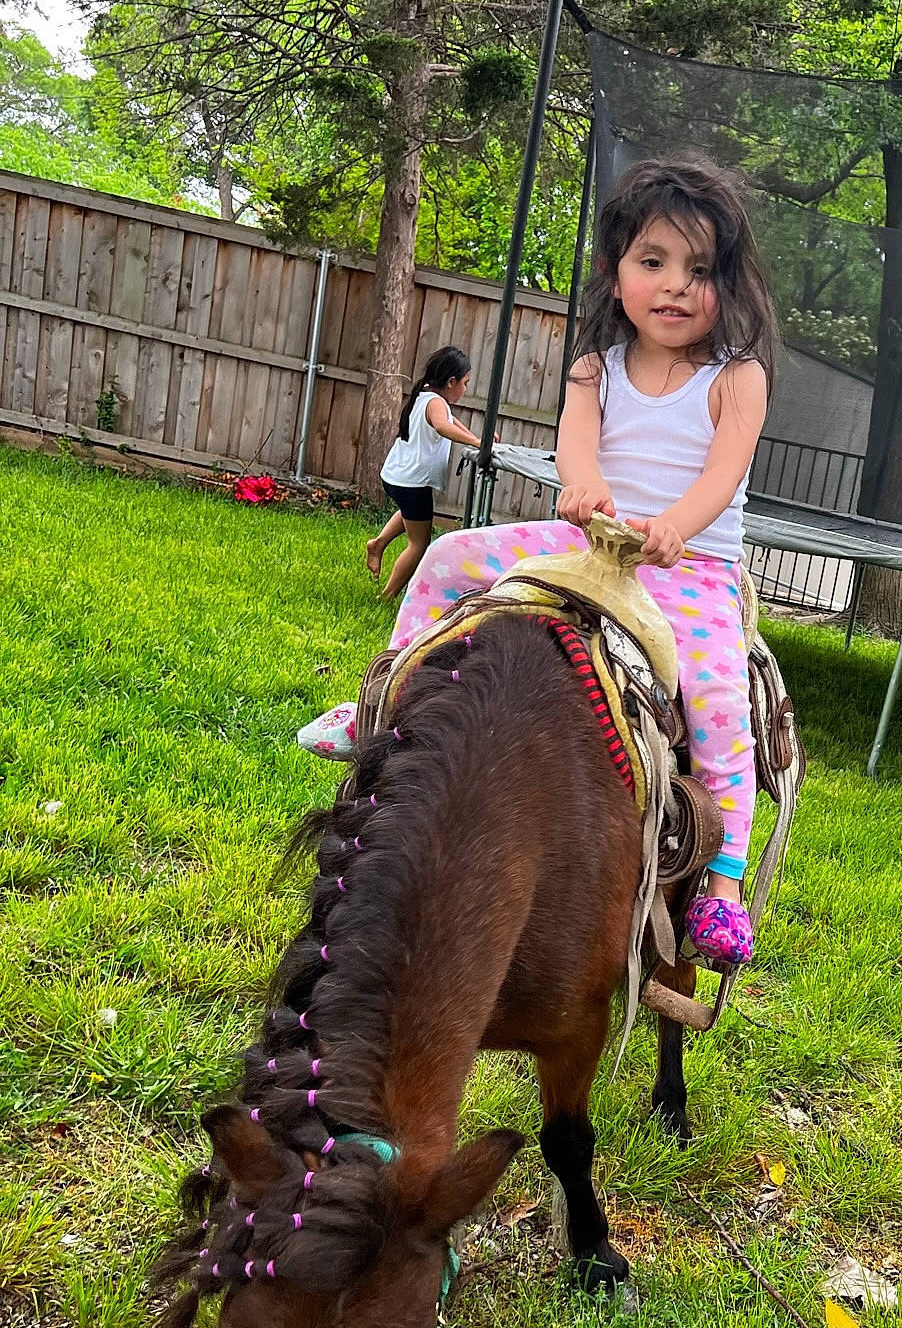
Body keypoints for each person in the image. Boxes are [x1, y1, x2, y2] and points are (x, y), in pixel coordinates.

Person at [299, 159, 775, 970]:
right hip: (590, 543)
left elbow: (722, 474)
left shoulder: (738, 377)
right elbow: (577, 445)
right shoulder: (597, 368)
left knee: (720, 701)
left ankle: (723, 879)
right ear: (616, 271)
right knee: (448, 556)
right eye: (653, 261)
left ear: (728, 284)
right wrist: (583, 486)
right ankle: (386, 701)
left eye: (700, 270)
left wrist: (674, 527)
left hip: (686, 563)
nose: (674, 286)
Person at [364, 346, 479, 597]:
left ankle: (378, 544)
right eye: (465, 383)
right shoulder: (436, 403)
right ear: (451, 381)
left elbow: (450, 420)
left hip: (398, 475)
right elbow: (442, 426)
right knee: (419, 544)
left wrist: (477, 437)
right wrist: (477, 443)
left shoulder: (426, 394)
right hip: (412, 482)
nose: (465, 389)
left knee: (411, 514)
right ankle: (387, 596)